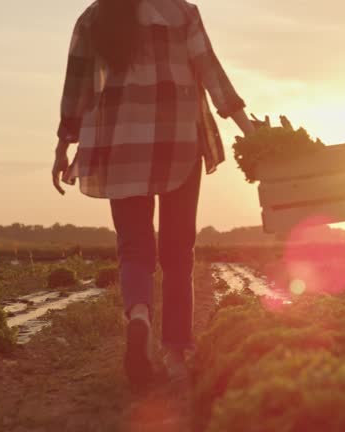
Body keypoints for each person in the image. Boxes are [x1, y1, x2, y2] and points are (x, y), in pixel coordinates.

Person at [53, 0, 255, 386]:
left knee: (133, 247)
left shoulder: (94, 17)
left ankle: (140, 316)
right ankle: (176, 352)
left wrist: (64, 145)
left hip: (119, 144)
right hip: (177, 141)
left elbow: (75, 89)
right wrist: (251, 131)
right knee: (178, 251)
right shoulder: (181, 13)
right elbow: (213, 77)